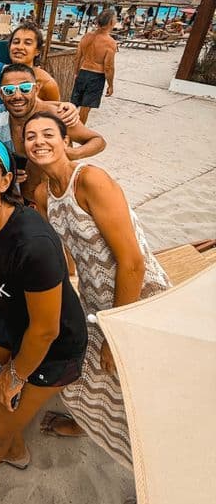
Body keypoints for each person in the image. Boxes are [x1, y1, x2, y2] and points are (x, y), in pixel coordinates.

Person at [0, 133, 88, 504]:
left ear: (6, 181)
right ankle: (12, 444)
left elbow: (45, 330)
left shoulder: (33, 243)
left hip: (51, 349)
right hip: (4, 313)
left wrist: (15, 374)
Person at [24, 112, 170, 464]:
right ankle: (91, 426)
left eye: (48, 134)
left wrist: (114, 331)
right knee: (100, 379)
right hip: (94, 300)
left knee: (144, 388)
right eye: (31, 137)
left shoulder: (90, 180)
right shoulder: (45, 193)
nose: (39, 141)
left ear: (66, 142)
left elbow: (132, 261)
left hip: (136, 299)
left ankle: (153, 467)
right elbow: (67, 255)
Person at [0, 63, 105, 202]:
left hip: (55, 199)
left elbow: (98, 141)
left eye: (25, 88)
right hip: (17, 200)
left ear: (36, 89)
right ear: (1, 94)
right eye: (9, 90)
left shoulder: (57, 116)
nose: (17, 95)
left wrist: (71, 153)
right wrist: (2, 171)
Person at [71, 9, 118, 123]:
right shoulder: (110, 42)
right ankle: (79, 131)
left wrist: (76, 73)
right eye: (115, 18)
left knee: (73, 104)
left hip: (83, 72)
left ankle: (64, 127)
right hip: (96, 76)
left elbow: (78, 57)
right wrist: (110, 85)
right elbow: (108, 67)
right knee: (85, 107)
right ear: (111, 22)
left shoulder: (87, 36)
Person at [8, 21, 60, 101]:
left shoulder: (46, 83)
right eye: (16, 42)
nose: (20, 47)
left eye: (27, 43)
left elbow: (57, 111)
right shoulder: (2, 74)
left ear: (37, 51)